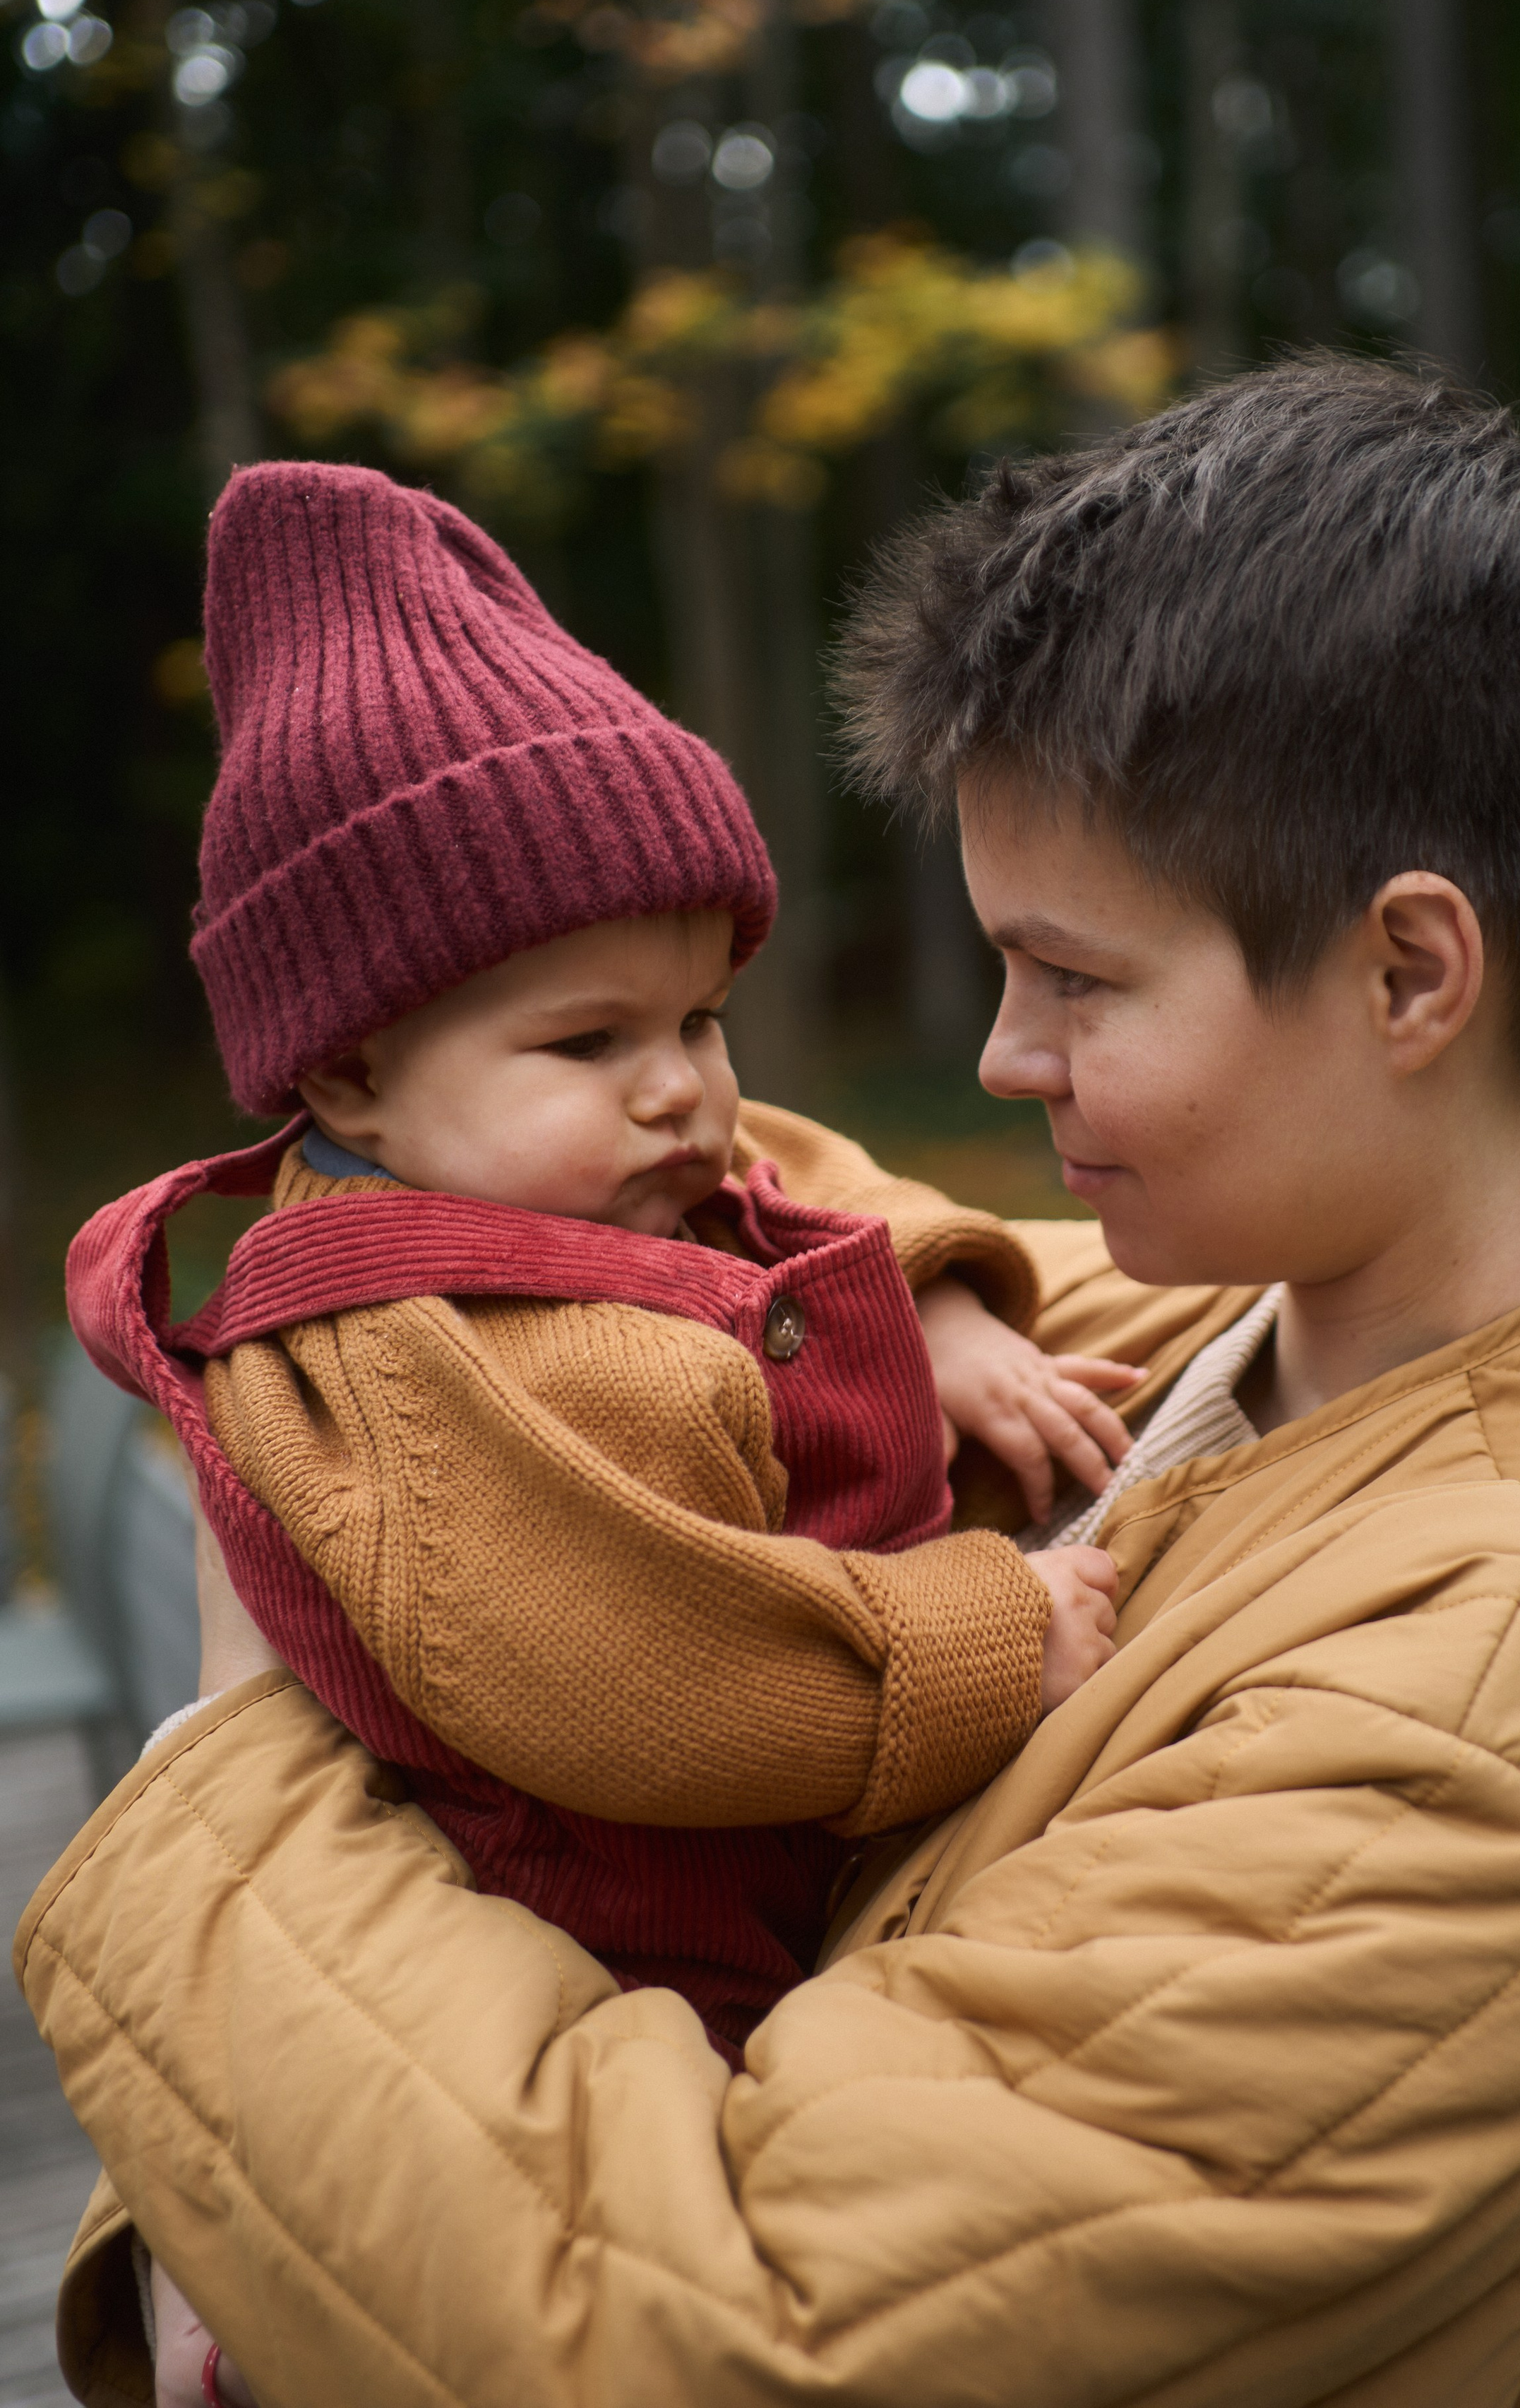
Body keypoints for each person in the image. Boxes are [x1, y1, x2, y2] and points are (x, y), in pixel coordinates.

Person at [20, 355, 1520, 2408]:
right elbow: (726, 1219)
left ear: (1408, 973)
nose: (999, 1056)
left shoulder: (1487, 1704)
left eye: (1078, 980)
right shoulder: (1203, 1329)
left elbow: (737, 2342)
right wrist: (197, 2204)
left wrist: (224, 1769)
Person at [63, 458, 1132, 2073]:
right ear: (347, 1078)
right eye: (589, 1038)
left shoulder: (592, 1170)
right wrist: (994, 1634)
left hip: (801, 1875)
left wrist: (943, 1299)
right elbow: (644, 1678)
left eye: (698, 1017)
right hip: (636, 1970)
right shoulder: (421, 1361)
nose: (677, 1088)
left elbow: (792, 1173)